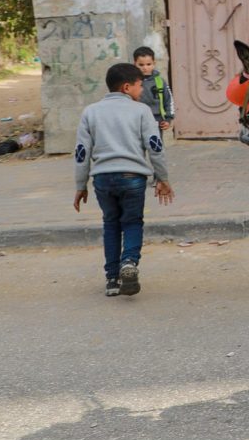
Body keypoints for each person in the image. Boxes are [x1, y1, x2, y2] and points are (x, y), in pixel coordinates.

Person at [74, 62, 174, 297]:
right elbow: (155, 147)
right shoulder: (141, 111)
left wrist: (80, 185)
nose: (142, 90)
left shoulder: (90, 112)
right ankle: (128, 262)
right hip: (132, 178)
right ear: (127, 87)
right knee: (132, 222)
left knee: (111, 224)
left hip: (102, 179)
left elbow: (81, 152)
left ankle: (112, 279)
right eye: (140, 85)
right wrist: (163, 178)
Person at [133, 46, 174, 133]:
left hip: (156, 119)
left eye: (148, 64)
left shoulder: (160, 81)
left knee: (155, 140)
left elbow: (169, 100)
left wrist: (168, 118)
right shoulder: (132, 82)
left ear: (154, 63)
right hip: (136, 119)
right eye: (141, 65)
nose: (145, 68)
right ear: (135, 63)